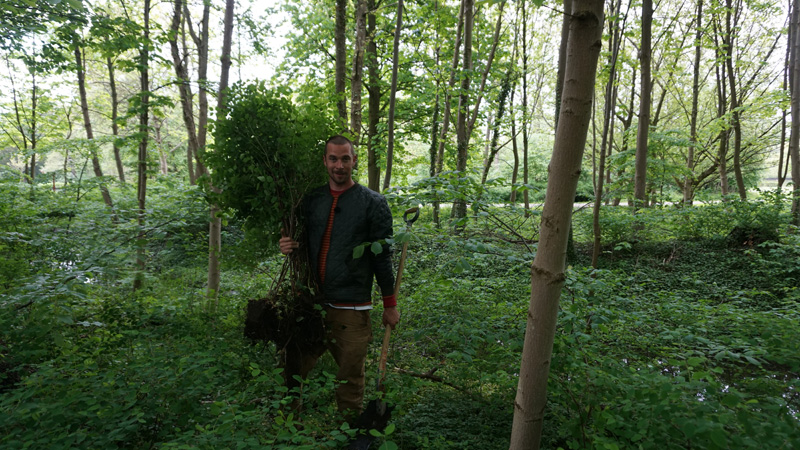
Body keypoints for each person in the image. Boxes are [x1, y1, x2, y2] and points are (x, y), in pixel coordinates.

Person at [279, 134, 400, 422]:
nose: (339, 165)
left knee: (350, 378)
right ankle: (285, 428)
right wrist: (285, 245)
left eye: (345, 158)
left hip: (352, 309)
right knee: (292, 370)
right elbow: (297, 241)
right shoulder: (312, 201)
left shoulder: (373, 203)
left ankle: (350, 433)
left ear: (354, 160)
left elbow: (382, 256)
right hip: (311, 304)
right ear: (325, 161)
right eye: (333, 158)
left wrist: (390, 303)